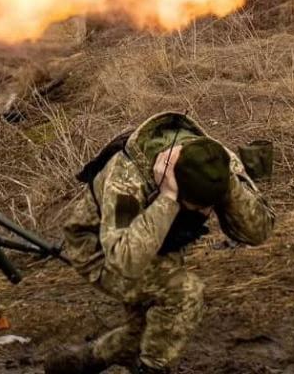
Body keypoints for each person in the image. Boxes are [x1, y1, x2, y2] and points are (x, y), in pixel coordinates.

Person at [47, 112, 276, 374]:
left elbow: (259, 231)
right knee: (184, 294)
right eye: (196, 207)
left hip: (160, 241)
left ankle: (79, 363)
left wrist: (229, 187)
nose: (204, 213)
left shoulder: (217, 162)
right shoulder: (125, 179)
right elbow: (124, 261)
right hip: (98, 248)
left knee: (146, 332)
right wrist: (167, 200)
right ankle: (153, 369)